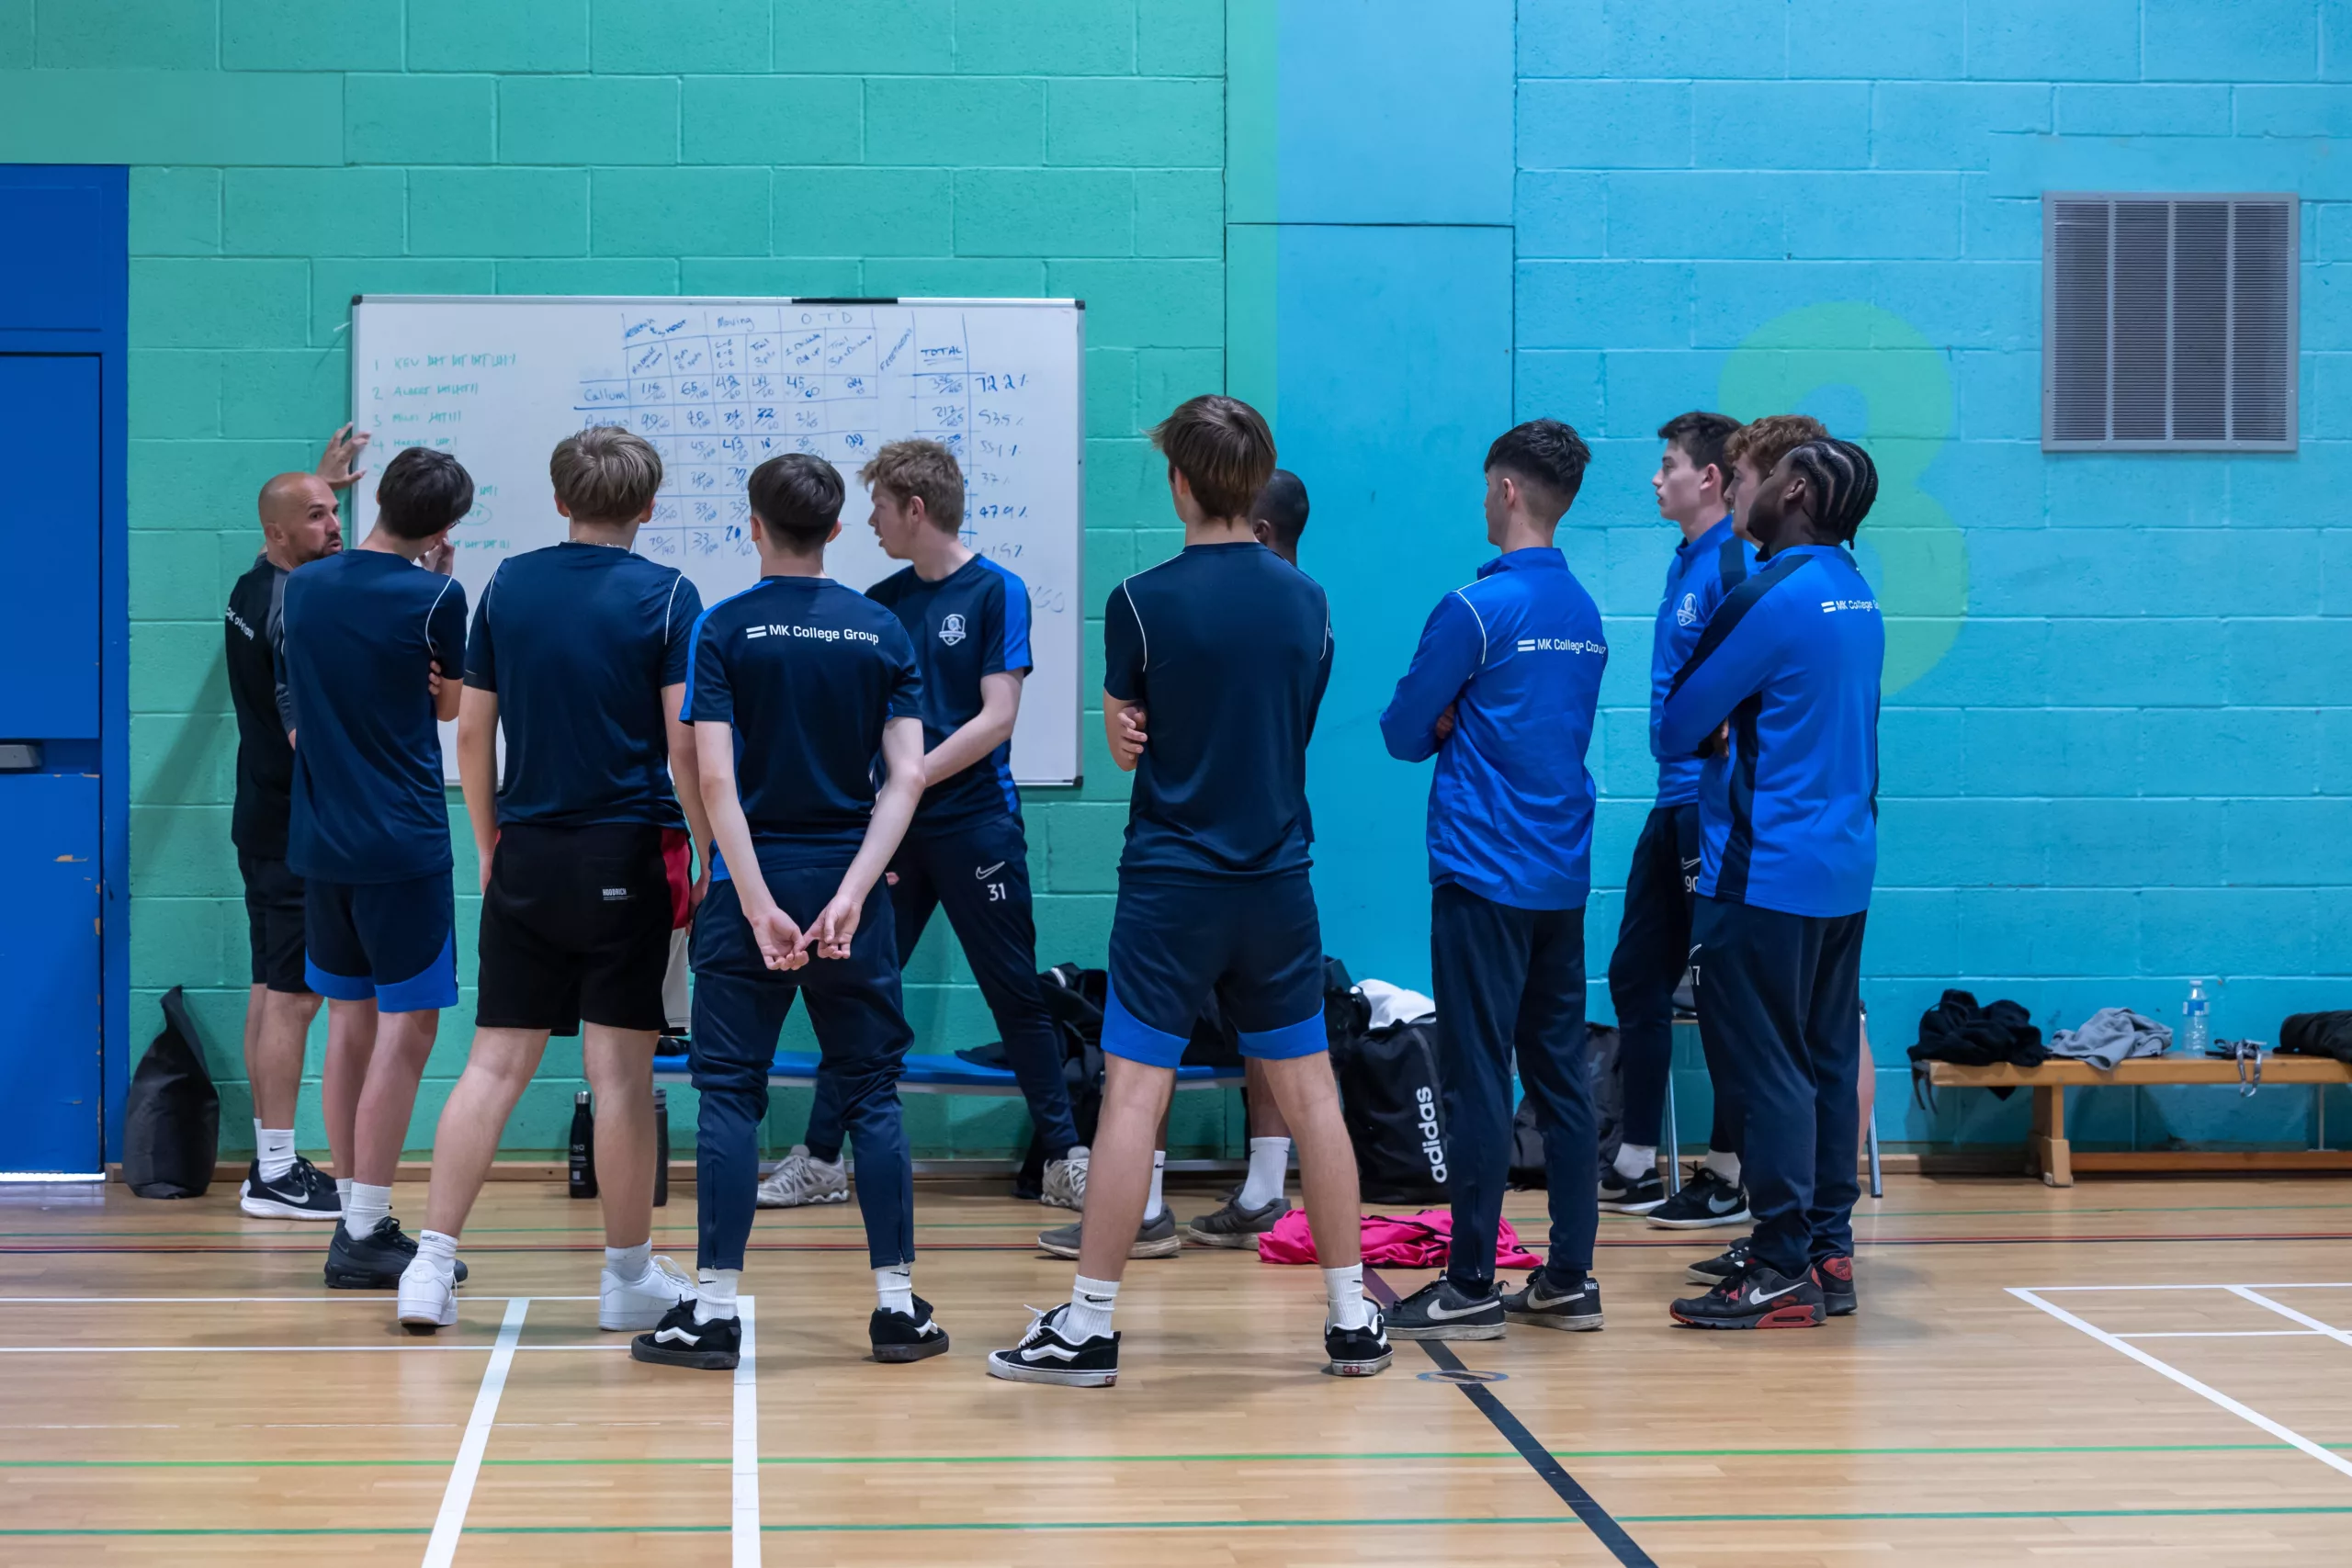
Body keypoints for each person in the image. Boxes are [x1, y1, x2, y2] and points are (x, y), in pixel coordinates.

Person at [985, 397, 1386, 1386]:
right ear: (1258, 484)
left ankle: (1087, 1328)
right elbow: (1281, 723)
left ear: (1178, 484)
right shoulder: (1311, 601)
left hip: (1172, 881)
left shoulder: (1136, 601)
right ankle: (1349, 1319)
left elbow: (1136, 727)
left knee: (1130, 1098)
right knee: (1313, 1103)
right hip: (1276, 882)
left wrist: (1132, 729)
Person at [633, 452, 941, 1373]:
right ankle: (897, 1310)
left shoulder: (723, 628)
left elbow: (713, 777)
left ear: (754, 525)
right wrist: (849, 893)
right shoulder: (882, 628)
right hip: (848, 882)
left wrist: (757, 900)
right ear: (837, 530)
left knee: (730, 1092)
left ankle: (714, 1310)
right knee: (872, 1092)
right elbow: (909, 776)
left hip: (751, 885)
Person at [396, 427, 708, 1334]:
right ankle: (626, 1279)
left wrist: (491, 846)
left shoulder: (505, 587)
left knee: (492, 1063)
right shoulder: (670, 597)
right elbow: (683, 744)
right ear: (647, 508)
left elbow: (470, 735)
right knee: (619, 1077)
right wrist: (706, 845)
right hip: (628, 854)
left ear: (560, 498)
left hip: (528, 852)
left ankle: (430, 1264)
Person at [757, 440, 1084, 1215]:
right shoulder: (880, 603)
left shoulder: (997, 591)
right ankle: (822, 1158)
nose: (865, 518)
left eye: (877, 505)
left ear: (914, 507)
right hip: (891, 837)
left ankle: (1067, 1157)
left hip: (975, 825)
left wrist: (909, 782)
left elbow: (996, 717)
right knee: (857, 989)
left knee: (1016, 995)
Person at [1376, 420, 1611, 1341]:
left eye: (1485, 488)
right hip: (1559, 875)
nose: (1482, 502)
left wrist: (1445, 723)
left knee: (1478, 1078)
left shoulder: (1474, 610)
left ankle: (1469, 1282)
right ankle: (1570, 1277)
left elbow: (1401, 730)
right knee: (1560, 1076)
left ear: (1507, 492)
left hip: (1482, 873)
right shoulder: (1585, 614)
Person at [1659, 437, 1883, 1329]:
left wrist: (1723, 725)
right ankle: (1826, 1249)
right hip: (1842, 866)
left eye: (1748, 480)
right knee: (1825, 1061)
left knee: (1773, 1070)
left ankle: (1782, 1260)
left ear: (1791, 492)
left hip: (1764, 871)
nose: (1735, 489)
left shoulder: (1767, 594)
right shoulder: (1855, 590)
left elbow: (1678, 725)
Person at [280, 446, 470, 1289]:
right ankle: (363, 1226)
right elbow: (449, 704)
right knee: (409, 1029)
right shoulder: (439, 597)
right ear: (443, 528)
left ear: (379, 501)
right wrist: (441, 584)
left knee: (348, 1021)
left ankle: (354, 1218)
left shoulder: (305, 585)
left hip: (322, 839)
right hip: (401, 842)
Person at [224, 425, 368, 1221]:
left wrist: (317, 482)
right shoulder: (288, 610)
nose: (335, 523)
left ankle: (267, 1159)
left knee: (269, 987)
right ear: (279, 533)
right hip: (288, 829)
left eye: (333, 511)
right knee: (294, 999)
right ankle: (276, 1173)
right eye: (316, 516)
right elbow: (303, 733)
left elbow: (288, 537)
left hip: (261, 821)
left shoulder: (254, 584)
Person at [1603, 412, 1743, 1224]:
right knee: (1635, 974)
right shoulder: (1684, 561)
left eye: (1669, 466)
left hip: (1709, 803)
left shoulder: (1731, 564)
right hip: (1670, 801)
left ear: (1710, 478)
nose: (1657, 480)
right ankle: (1632, 1161)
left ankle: (1726, 1171)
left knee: (1716, 990)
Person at [1185, 467, 1313, 1247]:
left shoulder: (1268, 605)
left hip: (1212, 851)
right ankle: (1265, 1185)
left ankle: (1142, 1207)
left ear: (1259, 533)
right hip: (1276, 844)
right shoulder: (1312, 608)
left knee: (1147, 1038)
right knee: (1276, 1036)